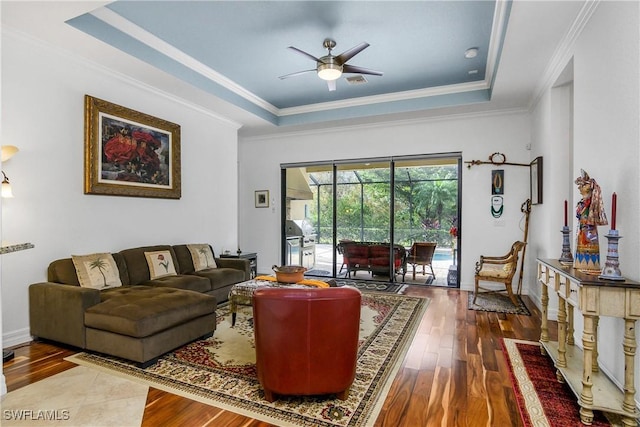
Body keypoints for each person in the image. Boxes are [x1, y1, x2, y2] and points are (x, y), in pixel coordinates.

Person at [574, 169, 608, 271]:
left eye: (583, 186)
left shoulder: (590, 204)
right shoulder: (583, 203)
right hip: (582, 228)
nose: (580, 188)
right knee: (582, 240)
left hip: (588, 228)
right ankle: (582, 262)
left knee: (589, 240)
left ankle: (590, 264)